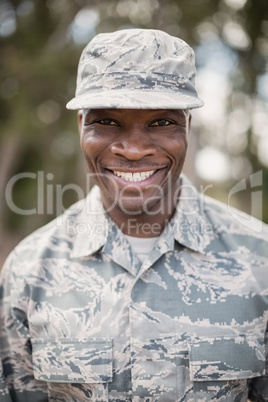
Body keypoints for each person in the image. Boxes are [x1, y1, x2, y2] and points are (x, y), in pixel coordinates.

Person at [0, 28, 267, 402]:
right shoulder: (28, 271)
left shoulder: (260, 260)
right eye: (107, 121)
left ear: (188, 126)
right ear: (81, 127)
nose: (134, 149)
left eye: (161, 122)